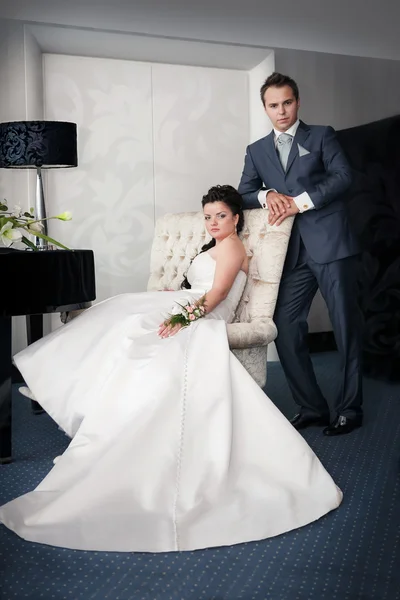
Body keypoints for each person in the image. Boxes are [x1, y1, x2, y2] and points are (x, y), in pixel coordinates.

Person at [0, 185, 342, 553]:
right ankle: (73, 388)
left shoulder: (232, 247)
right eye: (208, 217)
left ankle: (82, 398)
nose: (213, 223)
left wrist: (182, 318)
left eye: (221, 216)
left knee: (135, 331)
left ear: (236, 217)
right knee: (118, 314)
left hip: (204, 314)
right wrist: (172, 302)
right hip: (187, 304)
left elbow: (217, 295)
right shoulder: (214, 246)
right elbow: (200, 286)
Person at [238, 72, 362, 437]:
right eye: (274, 105)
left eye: (287, 103)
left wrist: (298, 203)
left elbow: (343, 177)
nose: (282, 111)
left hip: (332, 244)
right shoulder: (256, 150)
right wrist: (266, 195)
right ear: (265, 108)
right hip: (290, 254)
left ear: (297, 102)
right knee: (285, 325)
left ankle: (350, 409)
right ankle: (311, 407)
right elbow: (245, 192)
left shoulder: (322, 135)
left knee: (345, 327)